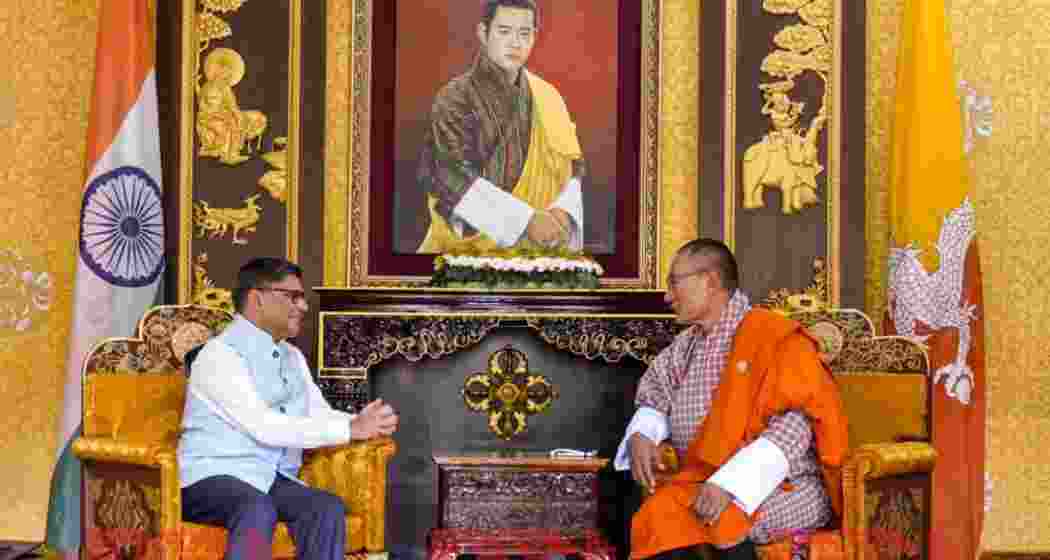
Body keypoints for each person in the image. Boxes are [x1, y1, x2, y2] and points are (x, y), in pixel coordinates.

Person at [614, 239, 848, 560]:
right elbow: (657, 393)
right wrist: (643, 433)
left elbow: (794, 427)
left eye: (674, 283)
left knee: (725, 521)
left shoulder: (773, 337)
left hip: (783, 484)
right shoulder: (686, 346)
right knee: (658, 516)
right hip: (703, 479)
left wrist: (733, 484)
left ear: (708, 281)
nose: (668, 296)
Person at [176, 257, 399, 560]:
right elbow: (264, 426)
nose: (304, 306)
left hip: (268, 479)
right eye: (292, 296)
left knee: (325, 508)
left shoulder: (291, 356)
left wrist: (362, 422)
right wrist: (349, 429)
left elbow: (318, 414)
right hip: (211, 478)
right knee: (256, 508)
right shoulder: (219, 356)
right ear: (258, 299)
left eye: (302, 297)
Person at [415, 0, 586, 253]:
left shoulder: (548, 96)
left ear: (534, 37)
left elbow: (572, 167)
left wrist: (562, 213)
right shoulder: (454, 97)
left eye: (524, 33)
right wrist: (526, 220)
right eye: (504, 31)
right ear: (483, 33)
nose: (515, 43)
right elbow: (451, 176)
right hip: (466, 252)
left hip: (540, 249)